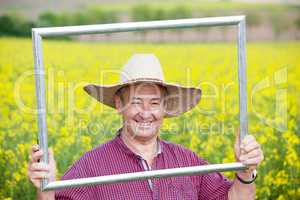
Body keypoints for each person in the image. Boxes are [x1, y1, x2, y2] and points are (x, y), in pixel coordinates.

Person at [28, 54, 264, 200]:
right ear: (119, 104)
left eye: (154, 103)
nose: (145, 113)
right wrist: (46, 189)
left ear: (165, 108)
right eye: (136, 102)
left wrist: (245, 171)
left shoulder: (188, 162)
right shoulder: (91, 166)